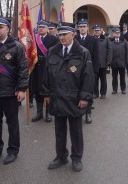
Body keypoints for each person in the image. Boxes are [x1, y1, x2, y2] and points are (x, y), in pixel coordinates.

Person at [42, 22, 94, 172]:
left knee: (76, 131)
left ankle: (77, 158)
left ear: (73, 34)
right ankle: (61, 156)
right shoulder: (53, 51)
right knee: (59, 130)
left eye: (65, 34)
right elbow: (46, 74)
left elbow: (88, 76)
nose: (62, 37)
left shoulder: (83, 53)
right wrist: (46, 94)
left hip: (74, 99)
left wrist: (84, 97)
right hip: (57, 97)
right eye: (60, 34)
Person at [0, 17, 29, 165]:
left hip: (10, 93)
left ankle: (13, 150)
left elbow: (23, 69)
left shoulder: (16, 46)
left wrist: (22, 89)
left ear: (8, 29)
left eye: (1, 27)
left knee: (12, 123)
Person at [30, 20, 59, 122]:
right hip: (36, 68)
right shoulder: (34, 39)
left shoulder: (54, 39)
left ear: (47, 28)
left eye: (43, 27)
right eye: (39, 27)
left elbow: (56, 54)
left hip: (48, 67)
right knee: (37, 90)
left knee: (48, 90)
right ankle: (39, 113)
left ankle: (48, 113)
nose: (41, 29)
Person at [75, 19, 99, 124]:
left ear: (87, 27)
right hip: (75, 70)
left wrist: (95, 71)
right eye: (80, 26)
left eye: (84, 26)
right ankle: (78, 112)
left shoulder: (93, 40)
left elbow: (96, 56)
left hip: (89, 70)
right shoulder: (74, 38)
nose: (82, 28)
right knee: (77, 91)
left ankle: (88, 113)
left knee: (88, 92)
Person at [92, 24, 112, 99]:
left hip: (103, 62)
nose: (96, 32)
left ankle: (103, 93)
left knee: (103, 79)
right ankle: (95, 93)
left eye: (98, 30)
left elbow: (110, 50)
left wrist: (109, 60)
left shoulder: (106, 39)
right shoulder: (91, 38)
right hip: (94, 63)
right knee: (95, 79)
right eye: (95, 30)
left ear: (101, 31)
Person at [110, 27, 128, 94]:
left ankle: (123, 89)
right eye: (116, 33)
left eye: (118, 33)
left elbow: (127, 52)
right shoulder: (110, 42)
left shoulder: (124, 42)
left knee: (122, 77)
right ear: (113, 34)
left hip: (122, 62)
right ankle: (114, 89)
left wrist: (127, 61)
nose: (117, 34)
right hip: (114, 62)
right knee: (114, 77)